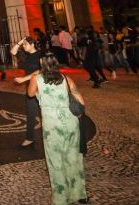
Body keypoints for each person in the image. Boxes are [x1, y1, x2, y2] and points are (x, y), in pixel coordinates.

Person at [28, 53, 88, 205]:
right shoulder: (66, 79)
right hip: (70, 121)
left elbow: (30, 93)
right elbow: (80, 99)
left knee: (55, 160)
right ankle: (79, 193)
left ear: (42, 63)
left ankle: (61, 198)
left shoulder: (37, 79)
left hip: (52, 124)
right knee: (73, 156)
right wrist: (80, 113)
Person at [11, 36, 43, 149]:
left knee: (45, 113)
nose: (23, 46)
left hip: (42, 87)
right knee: (31, 113)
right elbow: (13, 51)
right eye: (23, 44)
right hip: (31, 88)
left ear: (32, 44)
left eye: (25, 44)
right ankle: (30, 138)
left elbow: (41, 70)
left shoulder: (40, 55)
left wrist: (24, 79)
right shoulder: (25, 56)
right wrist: (20, 41)